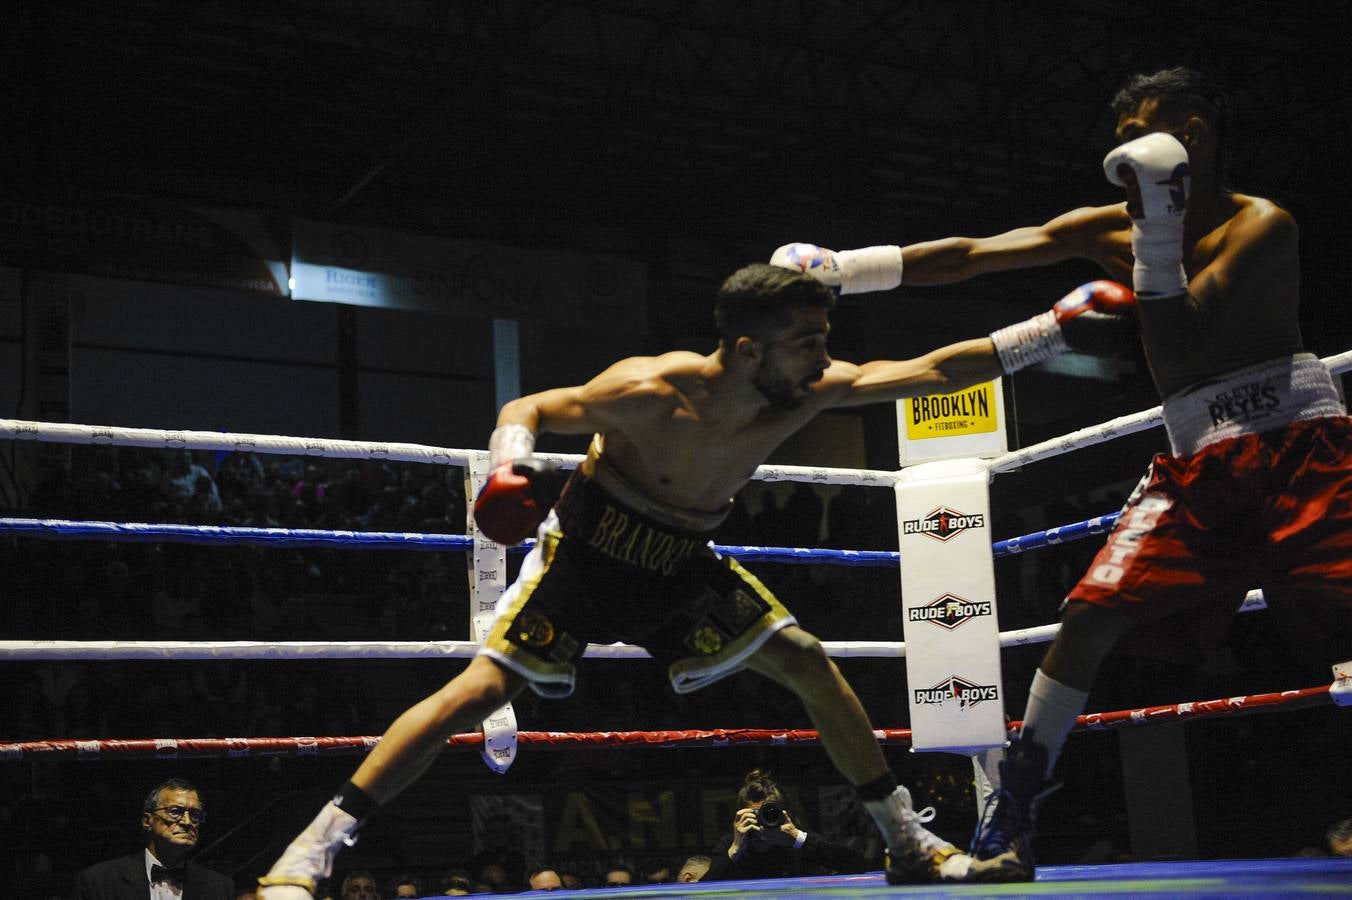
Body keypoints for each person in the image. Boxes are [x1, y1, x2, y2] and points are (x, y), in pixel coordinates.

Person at [257, 262, 1138, 897]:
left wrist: (1049, 330)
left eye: (825, 338)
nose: (823, 357)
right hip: (591, 552)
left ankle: (904, 840)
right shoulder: (650, 389)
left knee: (807, 659)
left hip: (682, 562)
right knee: (476, 691)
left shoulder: (811, 390)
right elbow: (526, 406)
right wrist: (508, 465)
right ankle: (309, 854)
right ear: (748, 349)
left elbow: (936, 372)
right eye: (807, 342)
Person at [777, 66, 1352, 882]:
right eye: (1119, 144)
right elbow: (978, 255)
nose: (1124, 156)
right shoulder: (1112, 222)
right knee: (1087, 616)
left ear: (1193, 133)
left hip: (1301, 447)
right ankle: (1010, 820)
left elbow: (1185, 341)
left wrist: (1156, 234)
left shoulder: (1265, 226)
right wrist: (849, 269)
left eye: (1139, 135)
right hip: (1199, 459)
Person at [75, 776, 235, 900]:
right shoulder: (100, 881)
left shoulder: (220, 887)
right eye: (175, 811)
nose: (187, 822)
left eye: (195, 814)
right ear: (147, 821)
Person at [703, 768, 871, 881]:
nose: (763, 821)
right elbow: (701, 892)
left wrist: (798, 839)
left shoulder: (799, 843)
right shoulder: (730, 845)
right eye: (756, 814)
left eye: (770, 814)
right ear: (741, 817)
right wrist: (735, 850)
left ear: (786, 814)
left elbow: (857, 864)